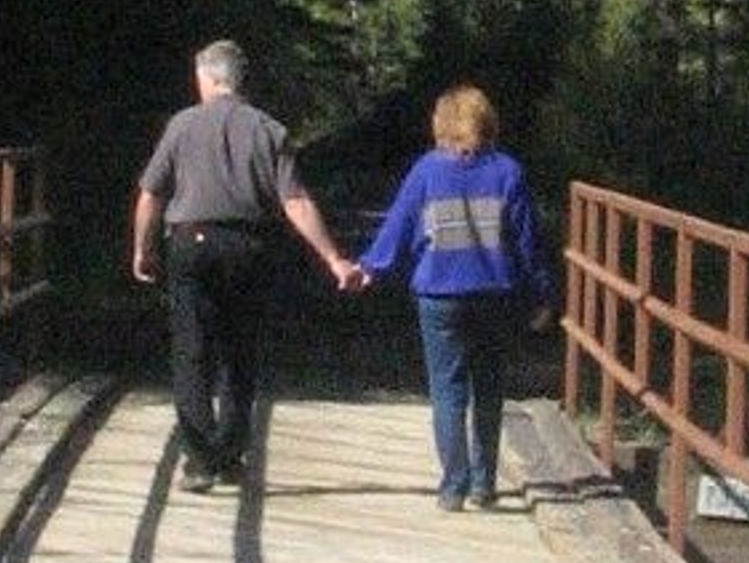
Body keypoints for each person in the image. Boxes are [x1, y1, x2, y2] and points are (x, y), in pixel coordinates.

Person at [130, 39, 360, 491]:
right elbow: (294, 200)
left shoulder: (182, 125)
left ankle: (199, 459)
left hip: (190, 240)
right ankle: (231, 454)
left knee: (192, 350)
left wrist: (143, 247)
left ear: (211, 80)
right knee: (240, 351)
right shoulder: (269, 130)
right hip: (248, 245)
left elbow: (151, 193)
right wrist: (333, 258)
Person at [353, 84, 551, 510]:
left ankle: (453, 486)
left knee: (448, 390)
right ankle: (484, 483)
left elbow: (400, 227)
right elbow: (527, 243)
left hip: (439, 294)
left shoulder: (426, 171)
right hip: (494, 293)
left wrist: (370, 266)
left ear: (441, 125)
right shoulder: (507, 172)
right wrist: (540, 296)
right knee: (488, 388)